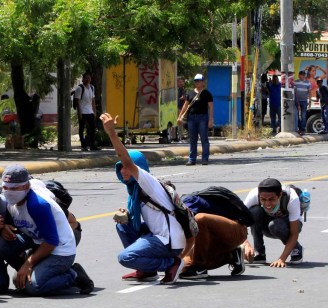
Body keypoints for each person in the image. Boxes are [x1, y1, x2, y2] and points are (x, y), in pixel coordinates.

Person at [100, 113, 191, 284]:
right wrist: (127, 214)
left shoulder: (147, 182)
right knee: (123, 226)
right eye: (120, 168)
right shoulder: (135, 189)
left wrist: (112, 133)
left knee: (125, 257)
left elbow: (125, 158)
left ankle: (172, 263)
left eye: (126, 168)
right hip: (157, 235)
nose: (123, 171)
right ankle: (147, 271)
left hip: (168, 241)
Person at [0, 164, 94, 296]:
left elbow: (51, 242)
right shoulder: (8, 199)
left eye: (14, 188)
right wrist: (4, 226)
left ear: (26, 186)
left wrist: (28, 264)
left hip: (60, 250)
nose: (8, 191)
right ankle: (31, 274)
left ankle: (74, 275)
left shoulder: (37, 205)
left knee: (33, 287)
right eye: (5, 187)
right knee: (3, 245)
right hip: (37, 241)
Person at [179, 189, 250, 279]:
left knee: (200, 219)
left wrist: (246, 243)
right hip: (215, 236)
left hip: (237, 229)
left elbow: (189, 229)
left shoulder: (186, 202)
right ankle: (232, 255)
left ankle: (199, 267)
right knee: (183, 267)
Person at [242, 178, 304, 267]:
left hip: (287, 226)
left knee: (275, 226)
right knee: (254, 212)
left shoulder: (292, 198)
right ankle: (259, 253)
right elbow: (237, 220)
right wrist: (245, 244)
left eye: (271, 199)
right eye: (263, 199)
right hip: (267, 224)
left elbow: (294, 233)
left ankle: (296, 248)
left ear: (280, 195)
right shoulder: (253, 195)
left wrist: (281, 259)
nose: (267, 203)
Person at [177, 73, 214, 166]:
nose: (197, 82)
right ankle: (192, 159)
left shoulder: (207, 93)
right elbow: (185, 106)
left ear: (203, 82)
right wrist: (180, 116)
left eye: (199, 81)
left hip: (202, 118)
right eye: (196, 81)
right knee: (193, 139)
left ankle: (205, 159)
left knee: (204, 139)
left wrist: (210, 120)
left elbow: (211, 107)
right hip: (191, 118)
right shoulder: (190, 93)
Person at [74, 72, 100, 151]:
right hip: (82, 111)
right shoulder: (80, 88)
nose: (87, 79)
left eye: (89, 78)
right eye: (86, 78)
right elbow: (77, 101)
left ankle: (92, 145)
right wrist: (79, 113)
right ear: (83, 79)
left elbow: (93, 100)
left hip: (90, 111)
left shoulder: (92, 87)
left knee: (92, 128)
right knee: (81, 128)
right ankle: (83, 146)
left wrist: (94, 111)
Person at [294, 70, 311, 134]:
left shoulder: (308, 83)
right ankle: (300, 128)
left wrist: (309, 102)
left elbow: (309, 93)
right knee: (297, 115)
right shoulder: (295, 82)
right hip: (297, 101)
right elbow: (294, 92)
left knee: (303, 116)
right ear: (299, 75)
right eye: (302, 75)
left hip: (304, 101)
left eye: (304, 75)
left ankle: (303, 129)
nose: (303, 76)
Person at [176, 77, 186, 142]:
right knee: (179, 122)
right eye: (179, 82)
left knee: (180, 122)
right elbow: (183, 97)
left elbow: (184, 97)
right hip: (177, 107)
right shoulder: (178, 89)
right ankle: (179, 136)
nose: (181, 83)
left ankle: (180, 135)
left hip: (180, 107)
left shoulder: (182, 89)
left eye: (182, 82)